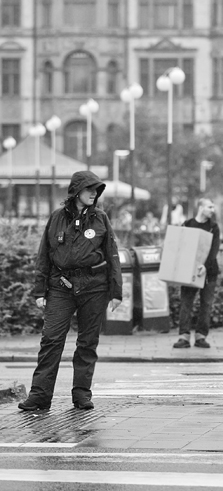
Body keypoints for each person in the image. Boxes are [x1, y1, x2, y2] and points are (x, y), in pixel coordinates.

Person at [18, 171, 122, 412]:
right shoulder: (56, 218)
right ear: (76, 191)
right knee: (51, 339)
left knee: (87, 342)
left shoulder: (101, 219)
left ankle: (81, 394)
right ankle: (40, 396)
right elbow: (43, 255)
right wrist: (39, 291)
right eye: (89, 189)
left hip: (94, 286)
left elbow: (112, 255)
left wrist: (116, 291)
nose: (94, 193)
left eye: (97, 189)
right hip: (60, 285)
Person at [172, 198, 221, 349]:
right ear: (200, 207)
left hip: (209, 271)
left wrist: (205, 265)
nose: (212, 210)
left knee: (206, 304)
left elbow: (214, 249)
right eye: (209, 207)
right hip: (190, 271)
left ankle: (201, 336)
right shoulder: (188, 224)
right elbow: (182, 245)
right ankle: (184, 336)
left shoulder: (213, 227)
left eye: (213, 207)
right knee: (186, 303)